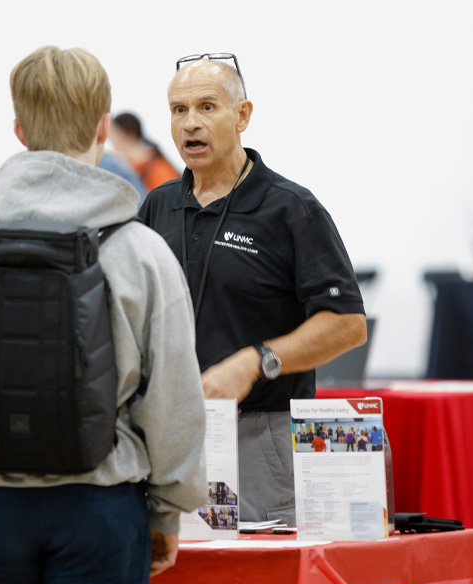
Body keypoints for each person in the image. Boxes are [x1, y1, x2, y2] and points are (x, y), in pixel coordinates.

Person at [0, 45, 207, 584]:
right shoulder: (141, 251)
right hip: (103, 499)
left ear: (18, 129)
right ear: (101, 127)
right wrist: (169, 508)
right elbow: (172, 396)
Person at [139, 53, 367, 527]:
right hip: (168, 441)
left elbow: (347, 325)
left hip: (259, 439)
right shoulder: (156, 208)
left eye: (207, 107)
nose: (190, 124)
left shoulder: (291, 210)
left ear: (242, 115)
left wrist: (256, 361)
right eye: (178, 111)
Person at [109, 111, 181, 191]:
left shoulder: (158, 169)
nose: (111, 140)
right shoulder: (128, 166)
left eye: (113, 135)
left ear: (127, 134)